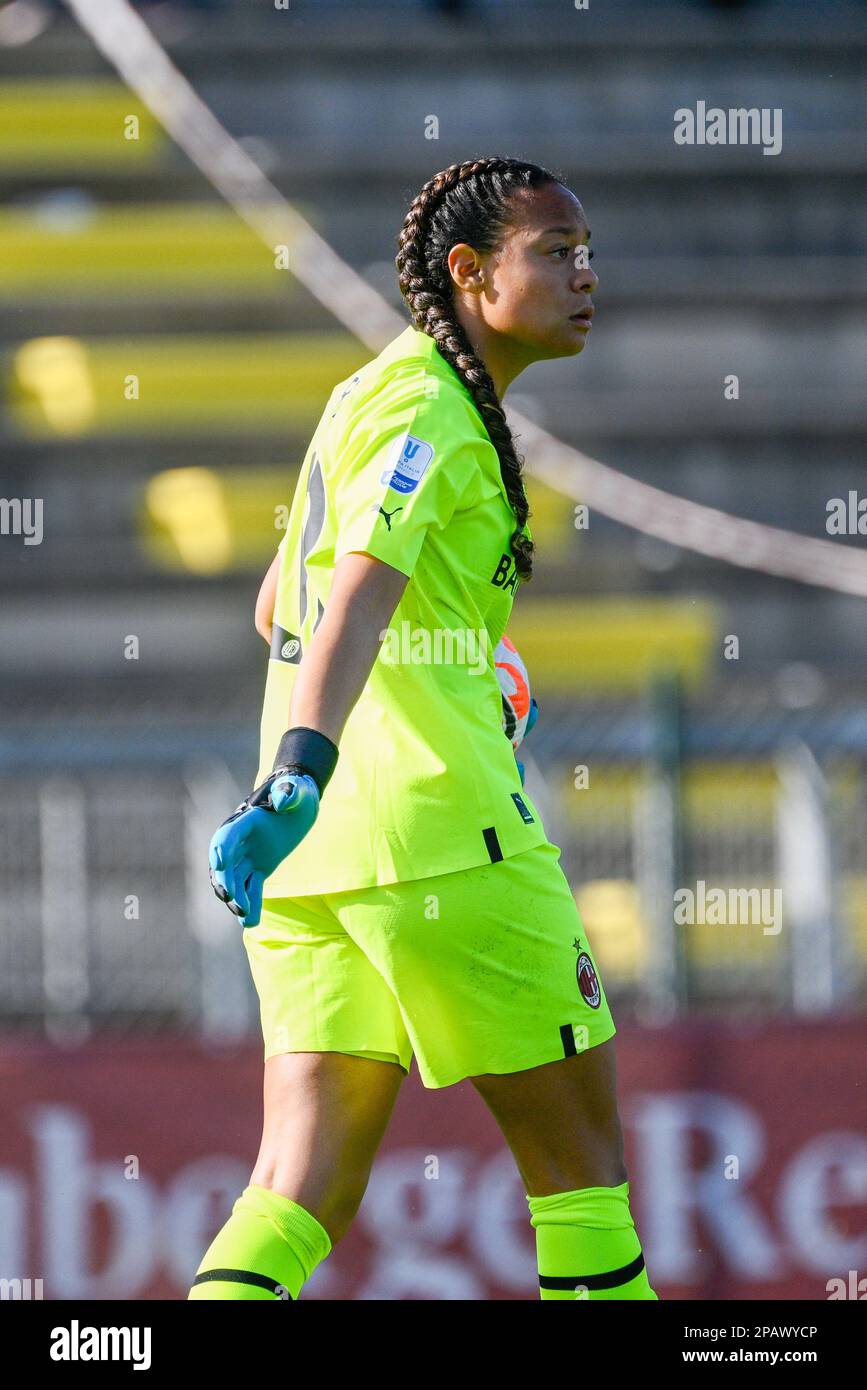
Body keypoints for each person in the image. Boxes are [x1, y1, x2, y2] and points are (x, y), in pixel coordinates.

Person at [189, 156, 658, 1301]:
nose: (585, 274)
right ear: (468, 271)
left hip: (312, 868)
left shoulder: (368, 391)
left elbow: (278, 607)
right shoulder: (433, 412)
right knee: (581, 1177)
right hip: (446, 837)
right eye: (555, 252)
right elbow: (350, 597)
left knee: (294, 1191)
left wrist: (461, 655)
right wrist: (300, 771)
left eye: (587, 251)